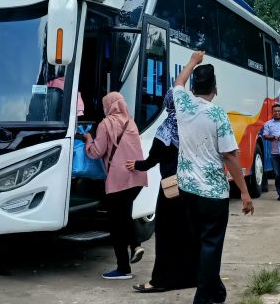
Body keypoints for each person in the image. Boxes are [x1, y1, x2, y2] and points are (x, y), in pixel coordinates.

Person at [174, 50, 253, 304]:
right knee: (211, 245)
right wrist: (244, 191)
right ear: (215, 88)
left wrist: (193, 61)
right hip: (212, 192)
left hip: (186, 188)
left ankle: (216, 291)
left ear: (194, 87)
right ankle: (202, 303)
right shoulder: (218, 115)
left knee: (200, 243)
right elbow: (229, 156)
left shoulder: (182, 104)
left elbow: (178, 83)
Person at [125, 90, 199, 293]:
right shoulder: (193, 125)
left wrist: (136, 165)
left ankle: (160, 280)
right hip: (193, 187)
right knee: (188, 233)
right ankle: (190, 277)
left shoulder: (166, 129)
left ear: (168, 104)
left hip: (171, 190)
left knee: (166, 235)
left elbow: (151, 160)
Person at [80, 92, 148, 279]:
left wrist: (87, 140)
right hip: (137, 176)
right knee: (124, 216)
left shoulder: (105, 124)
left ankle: (123, 269)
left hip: (118, 178)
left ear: (108, 106)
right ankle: (135, 246)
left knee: (117, 224)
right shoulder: (131, 122)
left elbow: (96, 152)